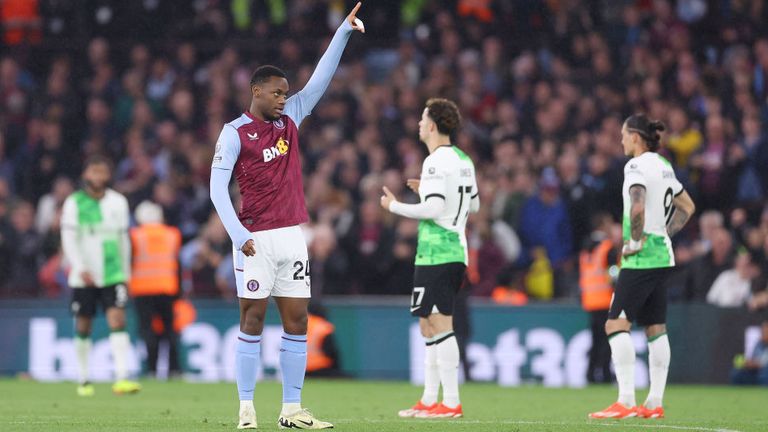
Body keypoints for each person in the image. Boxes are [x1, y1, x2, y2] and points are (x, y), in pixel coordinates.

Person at [208, 3, 365, 429]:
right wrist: (238, 235)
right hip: (254, 239)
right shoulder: (234, 132)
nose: (283, 99)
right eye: (276, 93)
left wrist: (342, 32)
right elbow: (217, 189)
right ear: (256, 91)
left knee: (297, 321)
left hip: (292, 236)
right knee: (252, 320)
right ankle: (246, 409)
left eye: (285, 93)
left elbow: (320, 80)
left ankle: (291, 410)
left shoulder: (291, 118)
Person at [589, 114, 695, 420]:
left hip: (642, 256)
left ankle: (625, 401)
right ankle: (654, 403)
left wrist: (635, 241)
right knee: (655, 327)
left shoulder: (635, 166)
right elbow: (687, 206)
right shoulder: (664, 165)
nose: (621, 140)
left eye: (623, 134)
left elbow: (637, 204)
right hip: (663, 254)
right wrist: (663, 232)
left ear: (636, 137)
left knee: (615, 324)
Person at [380, 98, 479, 419]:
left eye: (423, 119)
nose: (419, 124)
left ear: (433, 126)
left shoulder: (435, 161)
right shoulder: (463, 159)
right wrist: (429, 189)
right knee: (427, 325)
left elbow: (435, 209)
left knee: (440, 323)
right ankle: (428, 399)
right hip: (446, 251)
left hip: (441, 252)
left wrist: (394, 207)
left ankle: (450, 402)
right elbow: (474, 204)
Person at [60, 155, 140, 396]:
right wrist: (79, 266)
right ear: (86, 174)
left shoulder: (118, 202)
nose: (98, 176)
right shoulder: (74, 202)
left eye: (102, 171)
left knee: (118, 319)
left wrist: (126, 273)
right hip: (84, 275)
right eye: (93, 171)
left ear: (108, 175)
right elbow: (69, 238)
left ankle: (122, 377)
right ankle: (84, 379)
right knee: (84, 323)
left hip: (113, 272)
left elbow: (123, 239)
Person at [129, 200, 182, 378]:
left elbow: (129, 262)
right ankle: (174, 369)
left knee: (147, 331)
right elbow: (177, 264)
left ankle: (151, 370)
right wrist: (179, 291)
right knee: (170, 331)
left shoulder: (135, 236)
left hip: (142, 289)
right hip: (167, 288)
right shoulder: (172, 234)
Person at [579, 213, 617, 384]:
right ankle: (605, 373)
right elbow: (613, 274)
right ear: (602, 225)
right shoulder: (607, 248)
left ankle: (591, 373)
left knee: (596, 340)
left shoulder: (586, 248)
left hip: (590, 300)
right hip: (606, 299)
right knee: (608, 340)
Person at [731, 320, 768, 386]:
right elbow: (753, 358)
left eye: (765, 331)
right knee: (737, 372)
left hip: (764, 372)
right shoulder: (759, 344)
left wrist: (754, 363)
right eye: (762, 331)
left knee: (765, 372)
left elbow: (764, 363)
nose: (762, 333)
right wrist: (747, 363)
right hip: (756, 371)